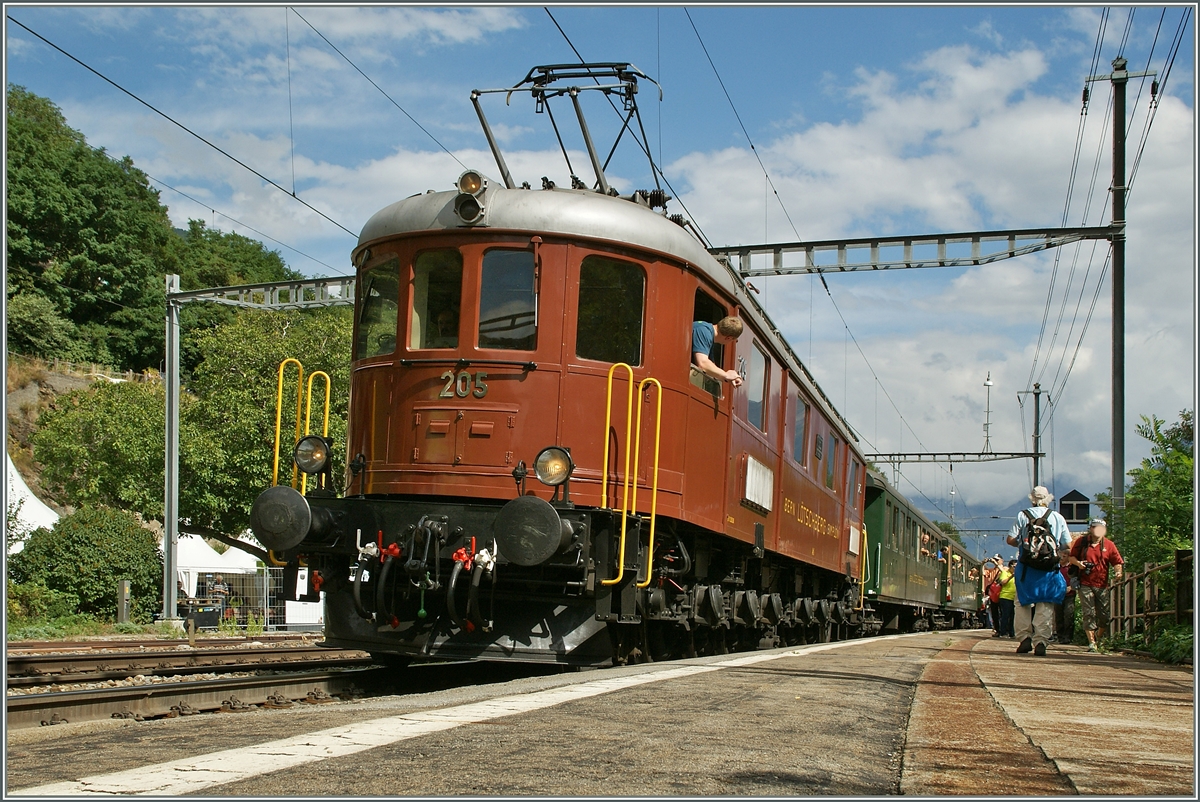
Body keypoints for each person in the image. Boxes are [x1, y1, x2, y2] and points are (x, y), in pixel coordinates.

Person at [1006, 486, 1071, 656]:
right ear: (1048, 498)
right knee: (1045, 602)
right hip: (1049, 568)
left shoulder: (1022, 515)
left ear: (1032, 499)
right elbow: (1068, 544)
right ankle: (1041, 640)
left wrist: (1023, 544)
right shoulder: (1057, 517)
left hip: (1026, 568)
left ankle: (1024, 638)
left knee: (1022, 602)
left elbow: (1010, 539)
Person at [1067, 518, 1124, 652]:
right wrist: (1079, 564)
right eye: (1095, 527)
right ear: (1091, 529)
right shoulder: (1081, 542)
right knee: (1089, 612)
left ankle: (1098, 637)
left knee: (1104, 615)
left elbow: (1117, 562)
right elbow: (1071, 557)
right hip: (1085, 582)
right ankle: (1091, 642)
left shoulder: (1109, 545)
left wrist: (1118, 572)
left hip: (1102, 584)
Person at [692, 316, 744, 387]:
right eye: (734, 340)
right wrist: (726, 375)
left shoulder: (709, 336)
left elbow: (710, 369)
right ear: (729, 338)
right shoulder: (703, 331)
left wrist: (731, 377)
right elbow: (703, 364)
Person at [997, 559, 1017, 638]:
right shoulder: (1005, 573)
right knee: (1006, 615)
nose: (1015, 568)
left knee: (1013, 616)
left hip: (1014, 597)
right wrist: (1011, 576)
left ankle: (1012, 633)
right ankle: (1003, 632)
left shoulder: (1018, 574)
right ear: (1010, 566)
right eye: (1014, 567)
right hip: (1005, 597)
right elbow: (1002, 582)